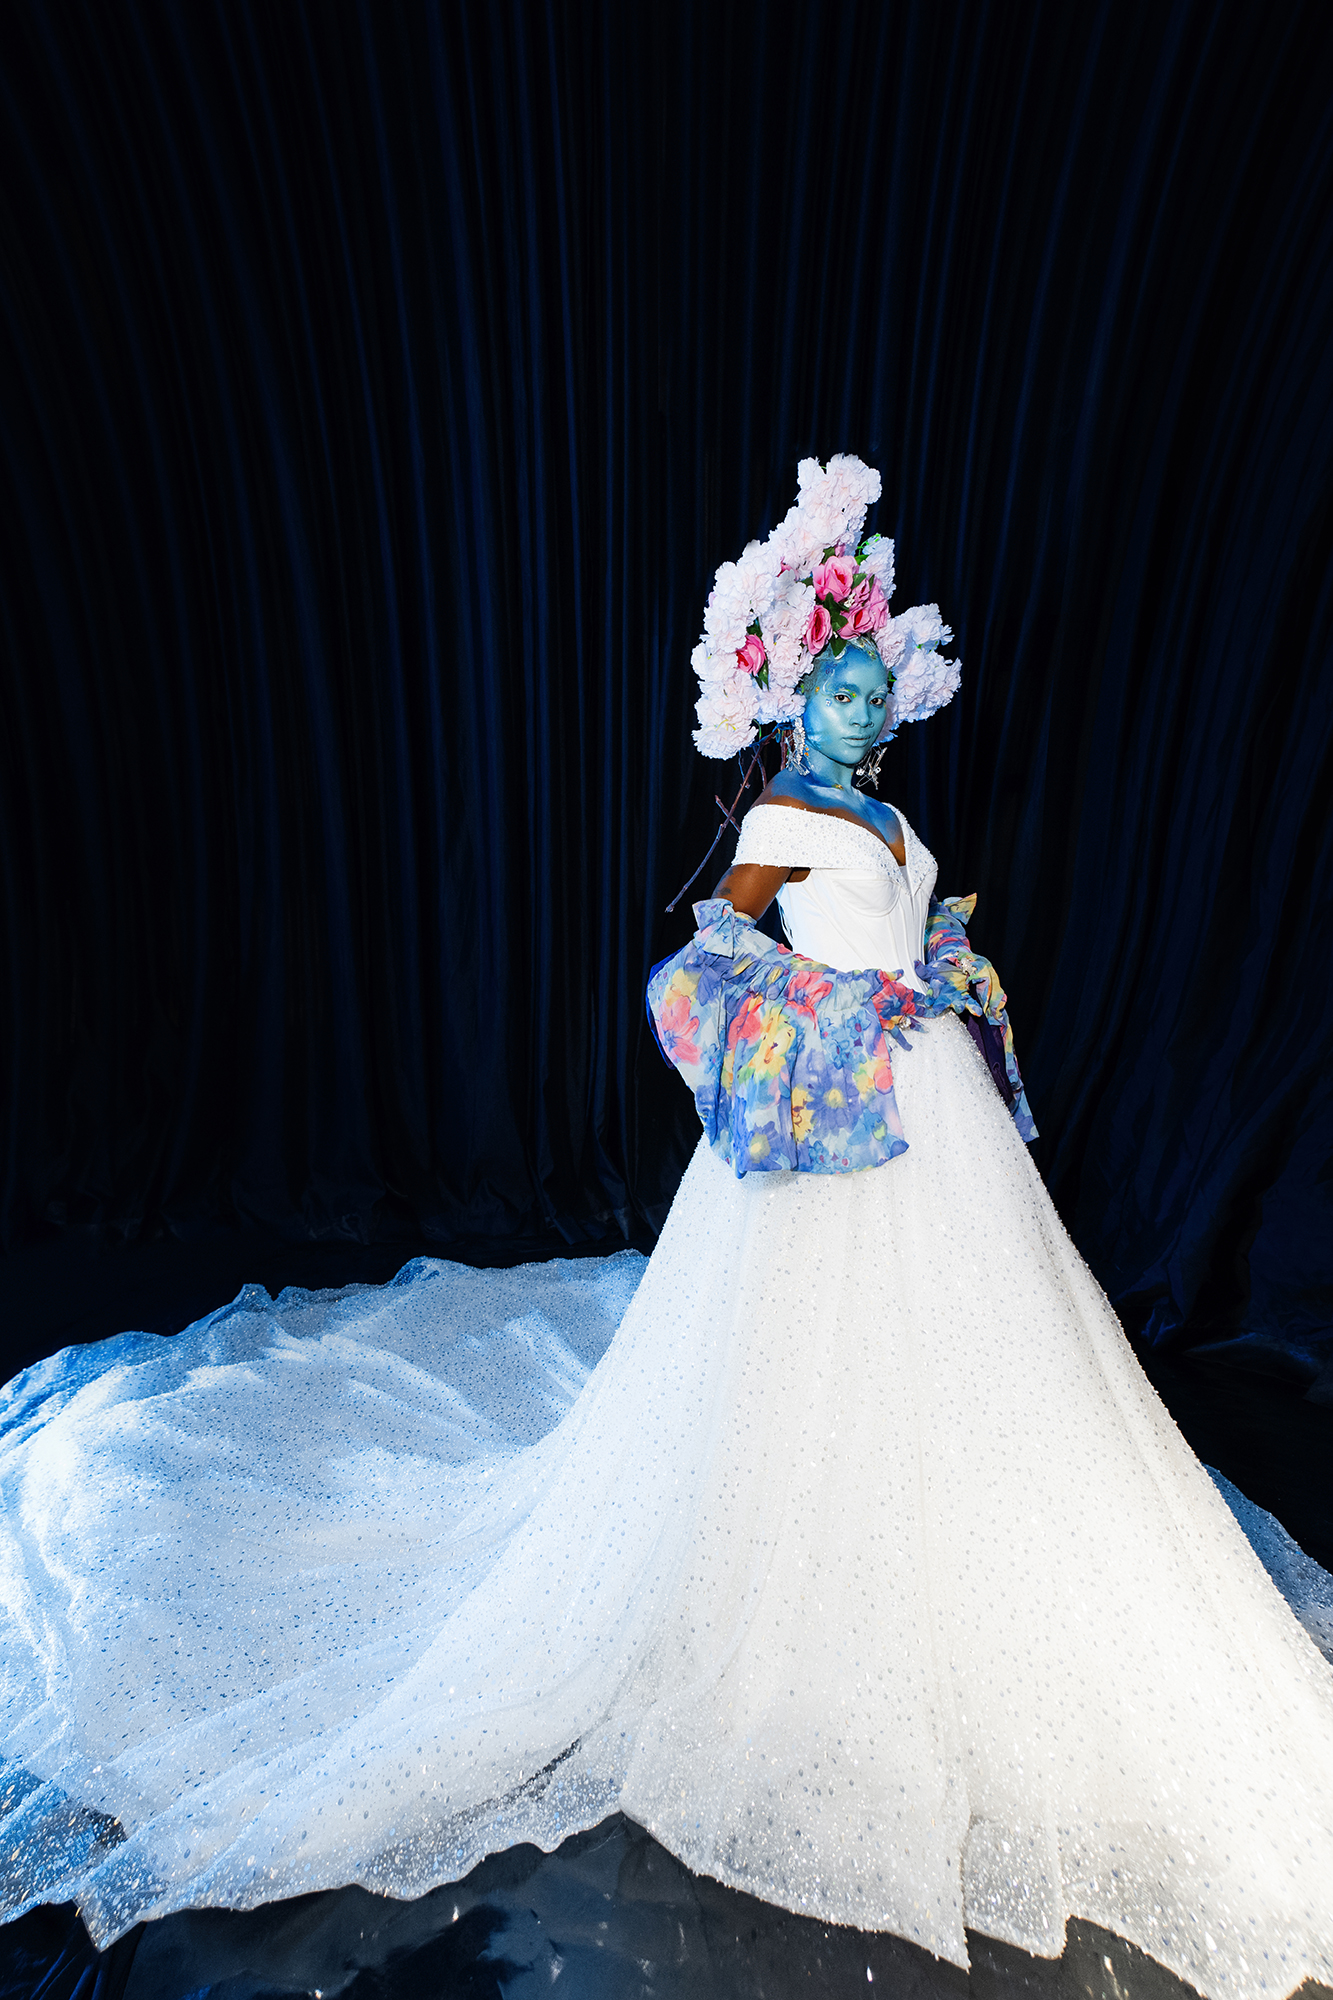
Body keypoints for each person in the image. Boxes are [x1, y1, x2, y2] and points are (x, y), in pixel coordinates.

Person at [2, 461, 1332, 2000]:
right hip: (834, 1110)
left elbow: (898, 922)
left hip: (931, 1116)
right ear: (791, 701)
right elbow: (714, 946)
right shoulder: (782, 814)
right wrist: (814, 1012)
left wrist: (923, 986)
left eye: (869, 693)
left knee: (978, 1350)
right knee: (797, 1352)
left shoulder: (885, 813)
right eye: (833, 692)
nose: (857, 714)